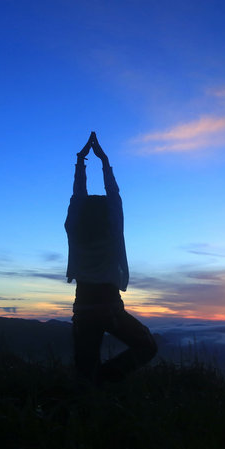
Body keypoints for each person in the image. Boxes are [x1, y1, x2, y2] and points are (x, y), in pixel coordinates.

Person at [65, 132, 157, 384]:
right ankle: (107, 380)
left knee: (85, 372)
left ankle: (92, 391)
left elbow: (78, 195)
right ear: (109, 216)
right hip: (109, 307)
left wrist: (81, 160)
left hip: (83, 306)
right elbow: (113, 195)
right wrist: (103, 161)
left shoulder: (74, 229)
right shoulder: (113, 230)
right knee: (147, 346)